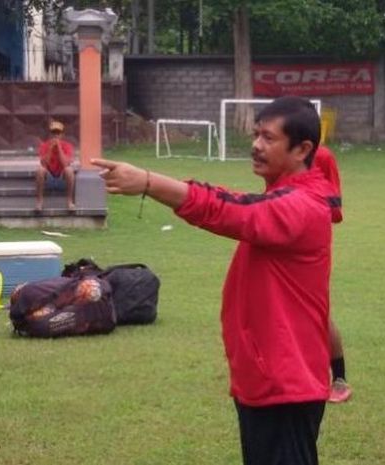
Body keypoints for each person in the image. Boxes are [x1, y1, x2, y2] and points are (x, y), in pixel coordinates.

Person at [94, 96, 336, 465]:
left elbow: (229, 210)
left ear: (302, 149)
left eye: (268, 138)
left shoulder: (301, 207)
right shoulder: (287, 196)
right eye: (256, 134)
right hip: (267, 374)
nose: (255, 145)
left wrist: (147, 181)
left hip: (285, 381)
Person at [313, 145, 352, 403]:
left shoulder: (322, 156)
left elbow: (335, 210)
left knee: (318, 311)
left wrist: (307, 206)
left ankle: (339, 379)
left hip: (311, 242)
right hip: (279, 239)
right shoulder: (276, 152)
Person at [35, 120, 77, 211]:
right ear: (50, 134)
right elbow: (44, 164)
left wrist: (59, 147)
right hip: (49, 177)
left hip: (62, 178)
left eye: (58, 133)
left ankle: (69, 201)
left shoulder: (67, 146)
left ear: (62, 135)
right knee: (40, 170)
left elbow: (66, 164)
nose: (55, 136)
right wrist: (50, 149)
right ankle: (39, 201)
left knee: (69, 170)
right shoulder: (44, 146)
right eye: (53, 133)